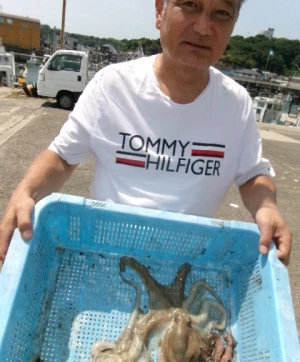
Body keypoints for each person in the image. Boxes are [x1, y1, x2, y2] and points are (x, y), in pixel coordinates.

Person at [0, 0, 292, 265]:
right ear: (159, 11)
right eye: (189, 5)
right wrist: (25, 192)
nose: (204, 27)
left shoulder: (236, 104)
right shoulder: (112, 87)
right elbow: (61, 157)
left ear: (233, 23)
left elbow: (252, 174)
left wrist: (266, 208)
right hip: (102, 255)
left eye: (222, 13)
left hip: (188, 262)